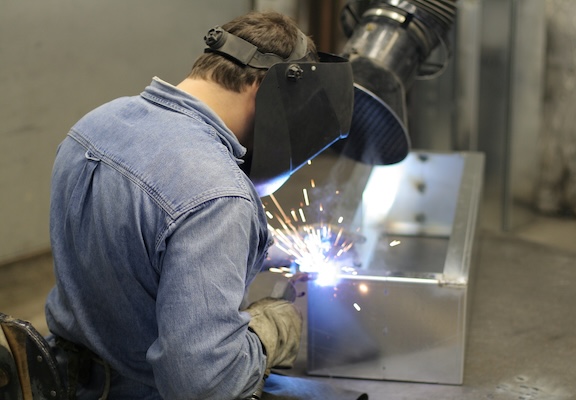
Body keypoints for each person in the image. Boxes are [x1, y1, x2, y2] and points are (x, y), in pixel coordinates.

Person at [45, 10, 353, 400]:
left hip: (64, 383)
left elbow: (144, 243)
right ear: (269, 91)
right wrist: (269, 329)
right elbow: (205, 385)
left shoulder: (95, 125)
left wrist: (270, 247)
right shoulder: (220, 194)